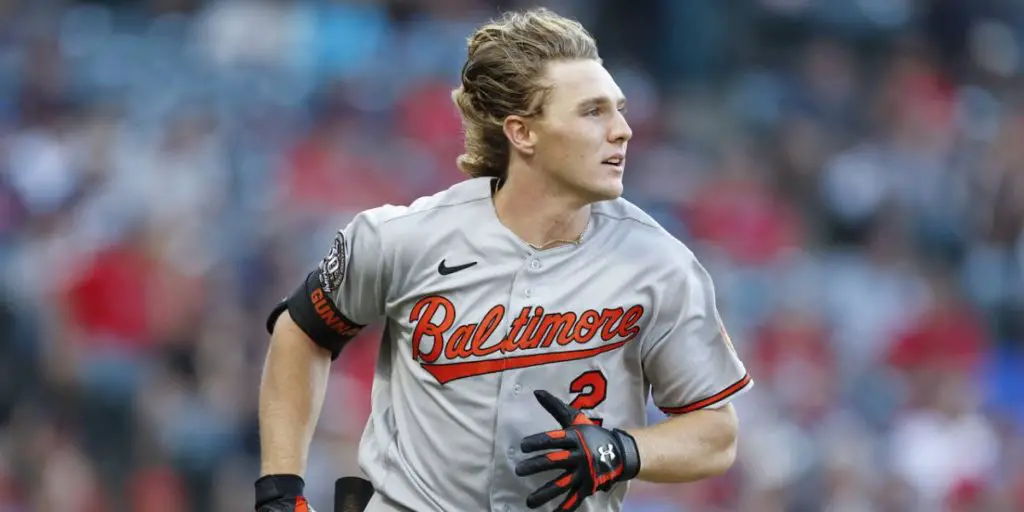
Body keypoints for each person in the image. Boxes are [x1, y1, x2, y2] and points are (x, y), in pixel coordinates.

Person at [254, 7, 753, 512]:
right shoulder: (403, 238)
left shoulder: (661, 264)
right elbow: (301, 332)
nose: (622, 129)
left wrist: (624, 449)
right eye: (593, 111)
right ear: (523, 133)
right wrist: (279, 489)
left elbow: (716, 432)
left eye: (619, 109)